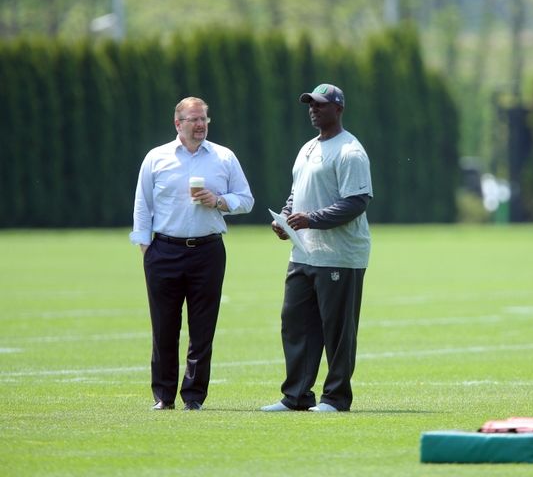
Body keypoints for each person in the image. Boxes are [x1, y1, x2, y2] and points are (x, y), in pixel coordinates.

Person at [130, 96, 254, 411]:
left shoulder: (224, 158)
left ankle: (194, 397)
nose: (200, 126)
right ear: (178, 124)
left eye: (204, 120)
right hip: (164, 251)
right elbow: (143, 206)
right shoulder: (156, 158)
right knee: (164, 327)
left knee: (202, 329)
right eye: (193, 120)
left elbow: (246, 199)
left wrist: (219, 201)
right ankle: (163, 396)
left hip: (207, 251)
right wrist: (146, 250)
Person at [261, 83, 372, 413]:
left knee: (336, 330)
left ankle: (336, 398)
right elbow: (296, 194)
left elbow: (355, 203)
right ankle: (295, 395)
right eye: (310, 104)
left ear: (338, 109)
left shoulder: (350, 151)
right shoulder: (307, 148)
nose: (313, 109)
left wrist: (311, 219)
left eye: (321, 105)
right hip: (303, 252)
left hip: (339, 255)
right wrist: (284, 219)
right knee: (294, 323)